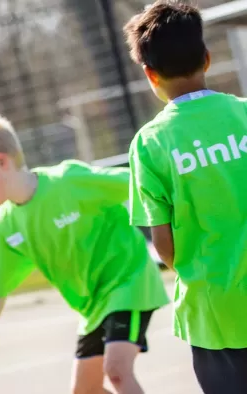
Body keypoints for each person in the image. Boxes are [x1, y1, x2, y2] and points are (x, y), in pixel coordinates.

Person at [0, 110, 170, 394]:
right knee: (85, 391)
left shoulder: (68, 181)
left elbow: (138, 182)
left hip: (128, 282)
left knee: (117, 370)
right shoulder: (6, 227)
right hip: (92, 306)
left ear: (1, 161)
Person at [123, 2, 247, 392]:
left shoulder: (150, 143)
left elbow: (164, 245)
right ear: (207, 58)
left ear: (149, 74)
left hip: (214, 313)